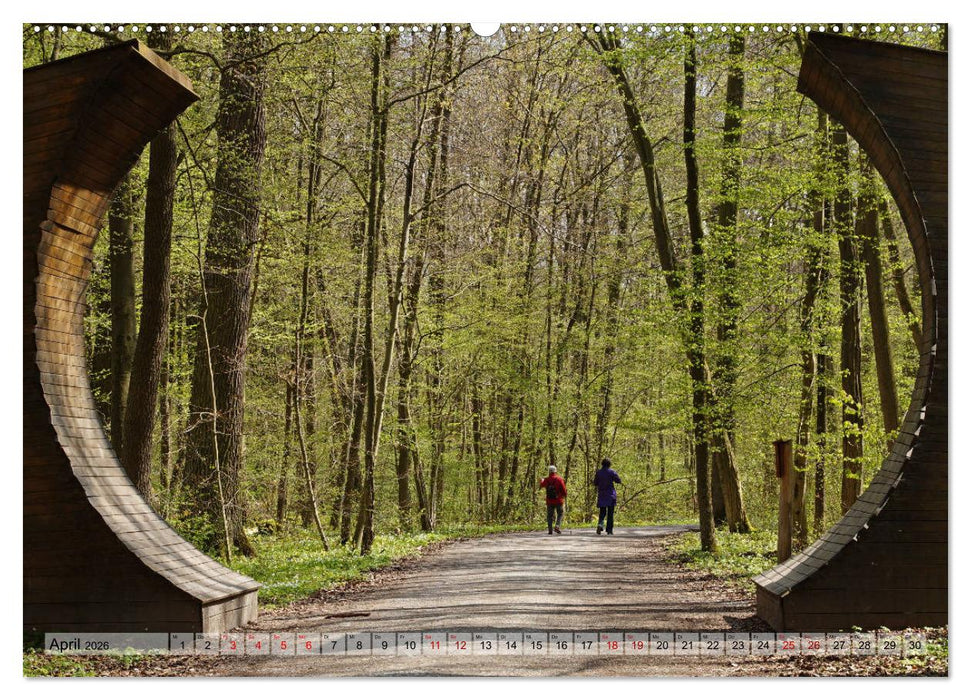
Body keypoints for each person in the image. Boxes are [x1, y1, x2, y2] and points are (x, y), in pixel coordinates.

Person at [593, 458, 622, 535]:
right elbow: (618, 480)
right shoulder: (612, 472)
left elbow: (595, 483)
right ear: (609, 464)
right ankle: (609, 530)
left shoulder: (598, 472)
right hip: (610, 495)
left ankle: (600, 524)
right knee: (610, 513)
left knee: (602, 512)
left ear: (602, 464)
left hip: (602, 495)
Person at [539, 465, 567, 535]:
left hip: (549, 500)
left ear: (549, 471)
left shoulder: (546, 480)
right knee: (560, 513)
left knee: (549, 516)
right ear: (555, 471)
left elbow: (541, 485)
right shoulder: (559, 479)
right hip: (558, 500)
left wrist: (541, 481)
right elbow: (563, 490)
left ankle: (550, 530)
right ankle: (557, 526)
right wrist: (565, 495)